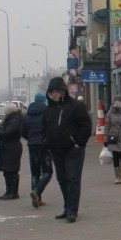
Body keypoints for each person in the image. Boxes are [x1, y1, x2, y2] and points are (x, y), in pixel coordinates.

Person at [43, 76, 93, 223]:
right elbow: (43, 127)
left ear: (63, 91)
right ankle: (67, 207)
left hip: (73, 149)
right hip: (56, 149)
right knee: (62, 179)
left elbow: (86, 125)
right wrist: (45, 141)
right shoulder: (48, 110)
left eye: (57, 91)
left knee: (72, 179)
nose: (55, 94)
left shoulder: (76, 106)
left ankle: (72, 210)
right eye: (52, 92)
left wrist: (79, 142)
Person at [22, 92, 53, 208]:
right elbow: (50, 128)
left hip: (32, 146)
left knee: (35, 173)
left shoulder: (27, 114)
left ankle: (37, 198)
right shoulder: (47, 112)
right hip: (44, 145)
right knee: (47, 172)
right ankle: (37, 191)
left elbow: (23, 131)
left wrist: (30, 139)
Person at [0, 102, 24, 200]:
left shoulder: (14, 120)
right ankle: (9, 191)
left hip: (11, 148)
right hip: (9, 147)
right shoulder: (14, 119)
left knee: (11, 171)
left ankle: (13, 192)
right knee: (7, 170)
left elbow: (8, 133)